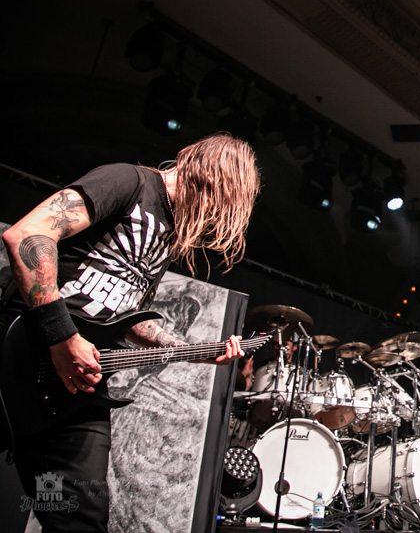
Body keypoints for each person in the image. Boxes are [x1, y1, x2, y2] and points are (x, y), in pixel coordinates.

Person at [1, 132, 260, 532]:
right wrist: (62, 337)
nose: (212, 221)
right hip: (20, 347)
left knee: (80, 516)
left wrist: (192, 351)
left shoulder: (167, 233)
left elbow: (131, 316)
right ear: (212, 180)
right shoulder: (127, 182)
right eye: (220, 206)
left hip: (77, 385)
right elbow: (27, 236)